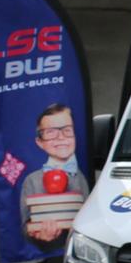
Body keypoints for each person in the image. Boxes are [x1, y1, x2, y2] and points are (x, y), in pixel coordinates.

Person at [19, 103, 88, 246]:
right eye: (51, 132)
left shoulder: (84, 176)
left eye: (67, 130)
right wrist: (36, 233)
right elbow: (26, 225)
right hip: (49, 257)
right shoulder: (31, 181)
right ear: (40, 142)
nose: (60, 137)